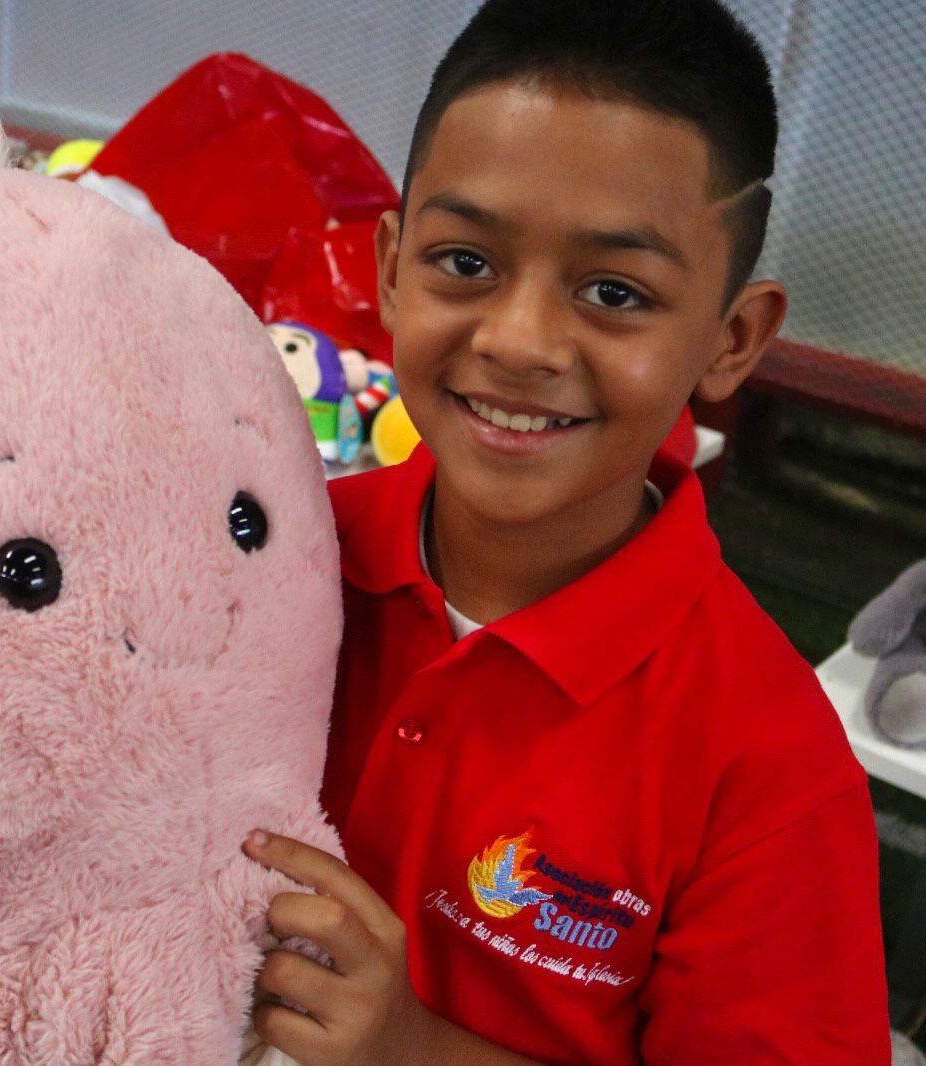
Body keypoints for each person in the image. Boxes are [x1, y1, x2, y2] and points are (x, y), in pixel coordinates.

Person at [243, 1, 890, 1062]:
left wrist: (411, 1047)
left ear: (732, 338)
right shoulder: (273, 555)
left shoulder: (767, 768)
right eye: (465, 263)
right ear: (389, 266)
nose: (521, 341)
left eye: (612, 291)